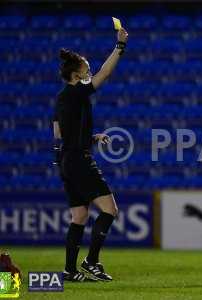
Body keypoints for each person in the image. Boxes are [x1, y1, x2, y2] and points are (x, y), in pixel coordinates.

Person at [53, 28, 128, 282]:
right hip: (78, 159)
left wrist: (89, 138)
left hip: (66, 160)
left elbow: (57, 130)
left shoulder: (62, 97)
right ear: (75, 75)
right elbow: (105, 74)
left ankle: (69, 270)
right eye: (86, 70)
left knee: (80, 216)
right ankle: (91, 261)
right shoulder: (78, 91)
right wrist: (120, 47)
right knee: (110, 209)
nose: (90, 73)